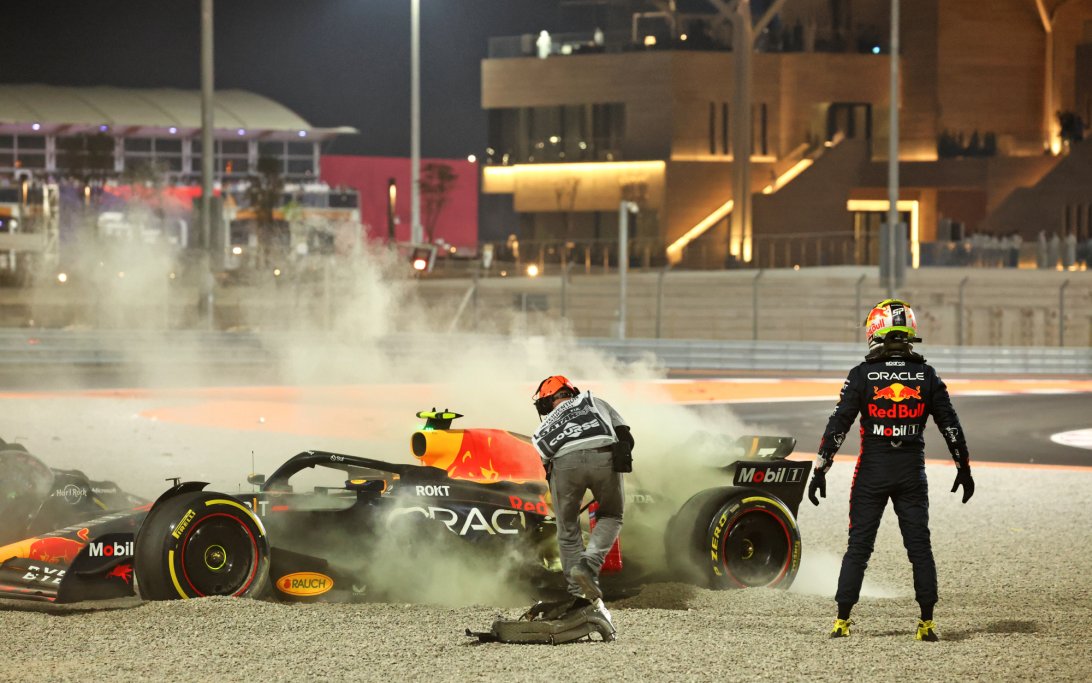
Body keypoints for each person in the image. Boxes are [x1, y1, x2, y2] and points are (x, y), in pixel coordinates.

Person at [807, 299, 974, 642]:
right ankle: (926, 624)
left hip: (872, 471)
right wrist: (963, 467)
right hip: (912, 473)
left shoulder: (862, 374)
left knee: (858, 547)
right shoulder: (927, 375)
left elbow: (838, 425)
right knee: (920, 548)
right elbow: (951, 426)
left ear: (876, 329)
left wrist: (820, 469)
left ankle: (841, 622)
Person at [530, 375, 633, 634]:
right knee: (611, 515)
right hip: (603, 456)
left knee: (567, 529)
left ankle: (579, 596)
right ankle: (589, 565)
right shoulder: (594, 401)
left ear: (545, 403)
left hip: (563, 464)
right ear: (571, 392)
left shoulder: (545, 425)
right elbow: (625, 435)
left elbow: (547, 467)